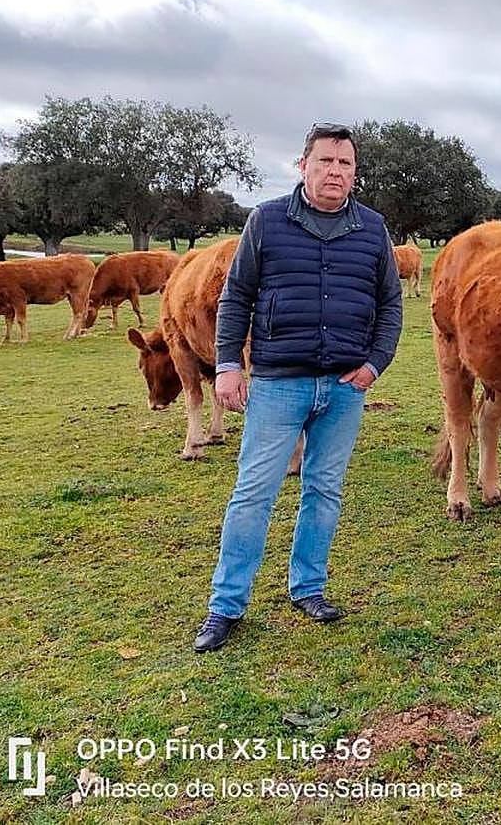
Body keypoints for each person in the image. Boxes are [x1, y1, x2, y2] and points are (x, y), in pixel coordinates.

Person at [193, 122, 403, 653]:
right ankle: (226, 604)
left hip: (344, 387)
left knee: (324, 491)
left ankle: (308, 587)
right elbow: (236, 296)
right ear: (303, 165)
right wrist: (225, 364)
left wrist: (375, 364)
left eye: (345, 164)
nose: (336, 171)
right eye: (326, 161)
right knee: (253, 493)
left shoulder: (372, 228)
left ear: (355, 172)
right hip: (279, 384)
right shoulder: (266, 221)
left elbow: (390, 305)